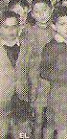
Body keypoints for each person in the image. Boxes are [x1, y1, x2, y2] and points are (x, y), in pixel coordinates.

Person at [39, 6, 67, 138]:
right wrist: (66, 75)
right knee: (62, 130)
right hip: (60, 95)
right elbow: (43, 71)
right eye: (62, 24)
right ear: (54, 26)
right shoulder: (51, 46)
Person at [16, 0, 54, 139]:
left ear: (51, 10)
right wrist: (23, 84)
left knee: (51, 121)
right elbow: (23, 62)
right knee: (37, 120)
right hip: (36, 83)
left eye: (44, 10)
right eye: (37, 12)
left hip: (54, 82)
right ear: (32, 14)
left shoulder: (57, 30)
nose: (41, 14)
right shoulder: (28, 33)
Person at [0, 11, 32, 139]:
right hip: (2, 98)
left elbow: (31, 72)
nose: (10, 31)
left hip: (22, 97)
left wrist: (32, 94)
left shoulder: (27, 47)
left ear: (19, 28)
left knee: (23, 134)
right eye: (6, 27)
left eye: (14, 26)